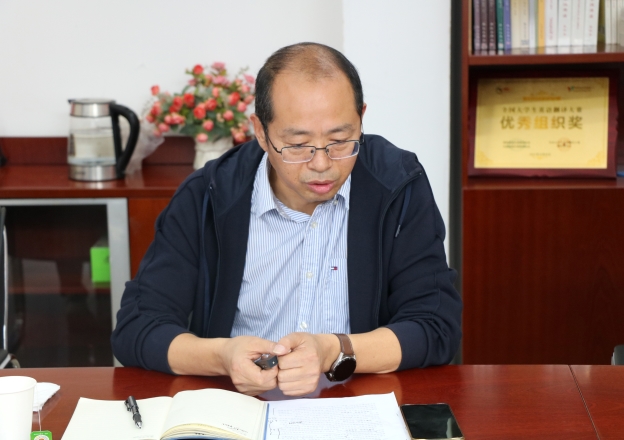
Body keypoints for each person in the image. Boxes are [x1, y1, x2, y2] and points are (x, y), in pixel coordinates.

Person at [111, 42, 462, 396]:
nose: (321, 164)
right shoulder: (209, 195)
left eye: (340, 140)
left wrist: (333, 350)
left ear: (361, 119)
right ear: (261, 132)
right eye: (297, 145)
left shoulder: (397, 184)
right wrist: (222, 356)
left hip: (354, 402)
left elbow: (436, 325)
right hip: (239, 407)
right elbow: (137, 326)